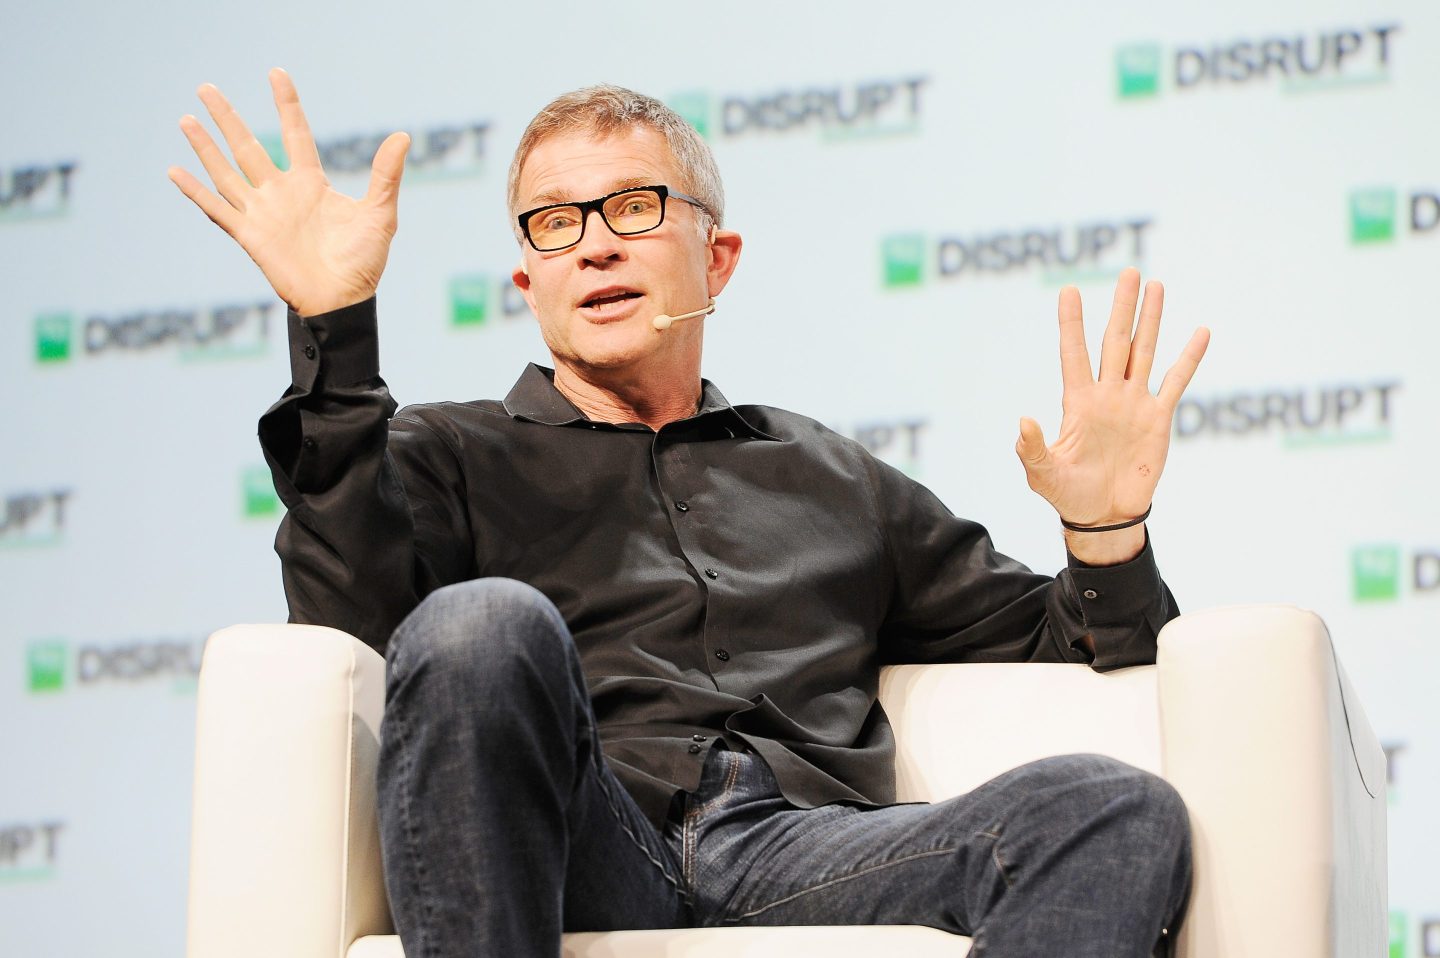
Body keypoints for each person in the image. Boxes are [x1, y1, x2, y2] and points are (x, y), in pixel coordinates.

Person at [170, 68, 1210, 958]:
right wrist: (334, 331)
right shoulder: (448, 450)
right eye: (556, 223)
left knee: (1110, 811)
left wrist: (1105, 529)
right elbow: (349, 623)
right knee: (481, 626)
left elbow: (1078, 643)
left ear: (717, 257)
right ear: (529, 279)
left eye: (632, 207)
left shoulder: (831, 476)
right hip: (581, 838)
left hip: (800, 849)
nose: (594, 246)